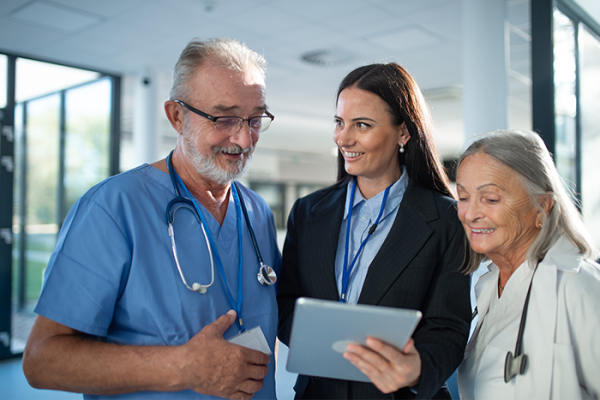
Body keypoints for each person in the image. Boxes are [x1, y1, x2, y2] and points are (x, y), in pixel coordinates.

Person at [22, 37, 281, 400]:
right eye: (224, 118)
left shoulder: (257, 213)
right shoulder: (113, 208)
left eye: (255, 119)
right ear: (177, 116)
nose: (242, 138)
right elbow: (41, 360)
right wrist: (183, 367)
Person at [277, 62, 472, 400]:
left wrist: (416, 367)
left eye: (362, 125)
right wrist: (323, 342)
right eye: (339, 123)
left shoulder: (446, 219)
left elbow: (448, 328)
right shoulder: (308, 213)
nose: (344, 138)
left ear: (404, 133)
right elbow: (286, 303)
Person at [455, 130, 600, 400]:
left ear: (542, 207)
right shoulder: (489, 285)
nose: (471, 214)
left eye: (491, 199)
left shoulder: (579, 285)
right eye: (463, 198)